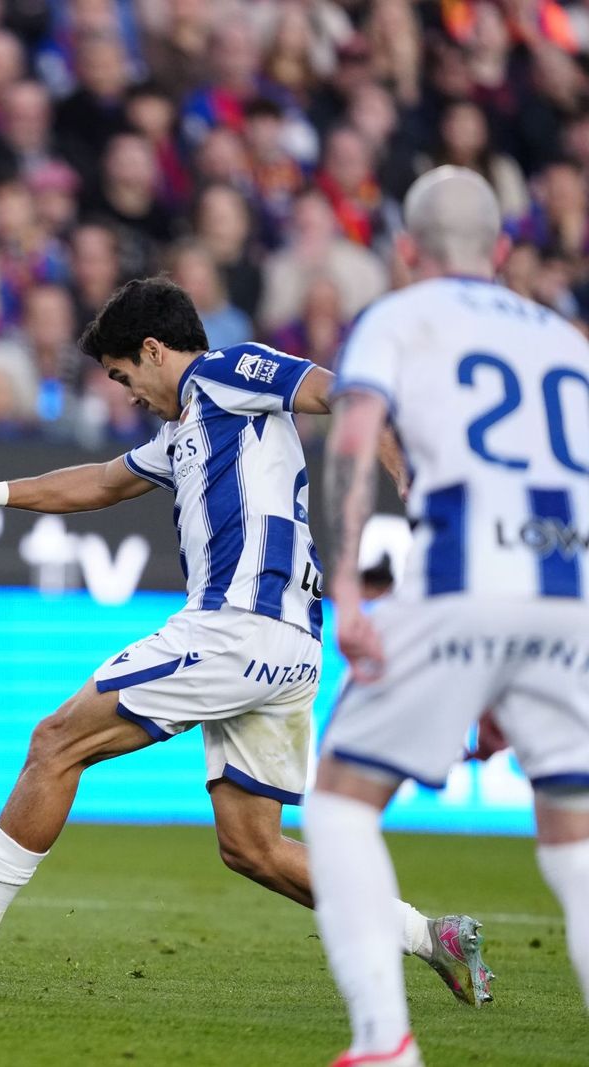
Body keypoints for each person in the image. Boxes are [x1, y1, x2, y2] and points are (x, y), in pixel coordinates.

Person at [0, 277, 490, 1000]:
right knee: (251, 846)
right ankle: (430, 935)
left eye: (125, 374)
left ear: (155, 350)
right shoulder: (187, 431)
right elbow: (100, 482)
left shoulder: (227, 374)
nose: (127, 393)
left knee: (56, 740)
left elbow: (351, 392)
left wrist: (410, 481)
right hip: (287, 645)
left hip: (238, 625)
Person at [308, 165, 589, 1067]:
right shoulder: (566, 338)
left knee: (342, 803)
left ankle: (382, 1044)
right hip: (567, 591)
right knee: (576, 834)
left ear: (406, 251)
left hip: (461, 575)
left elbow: (354, 441)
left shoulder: (398, 316)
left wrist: (347, 587)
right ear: (502, 252)